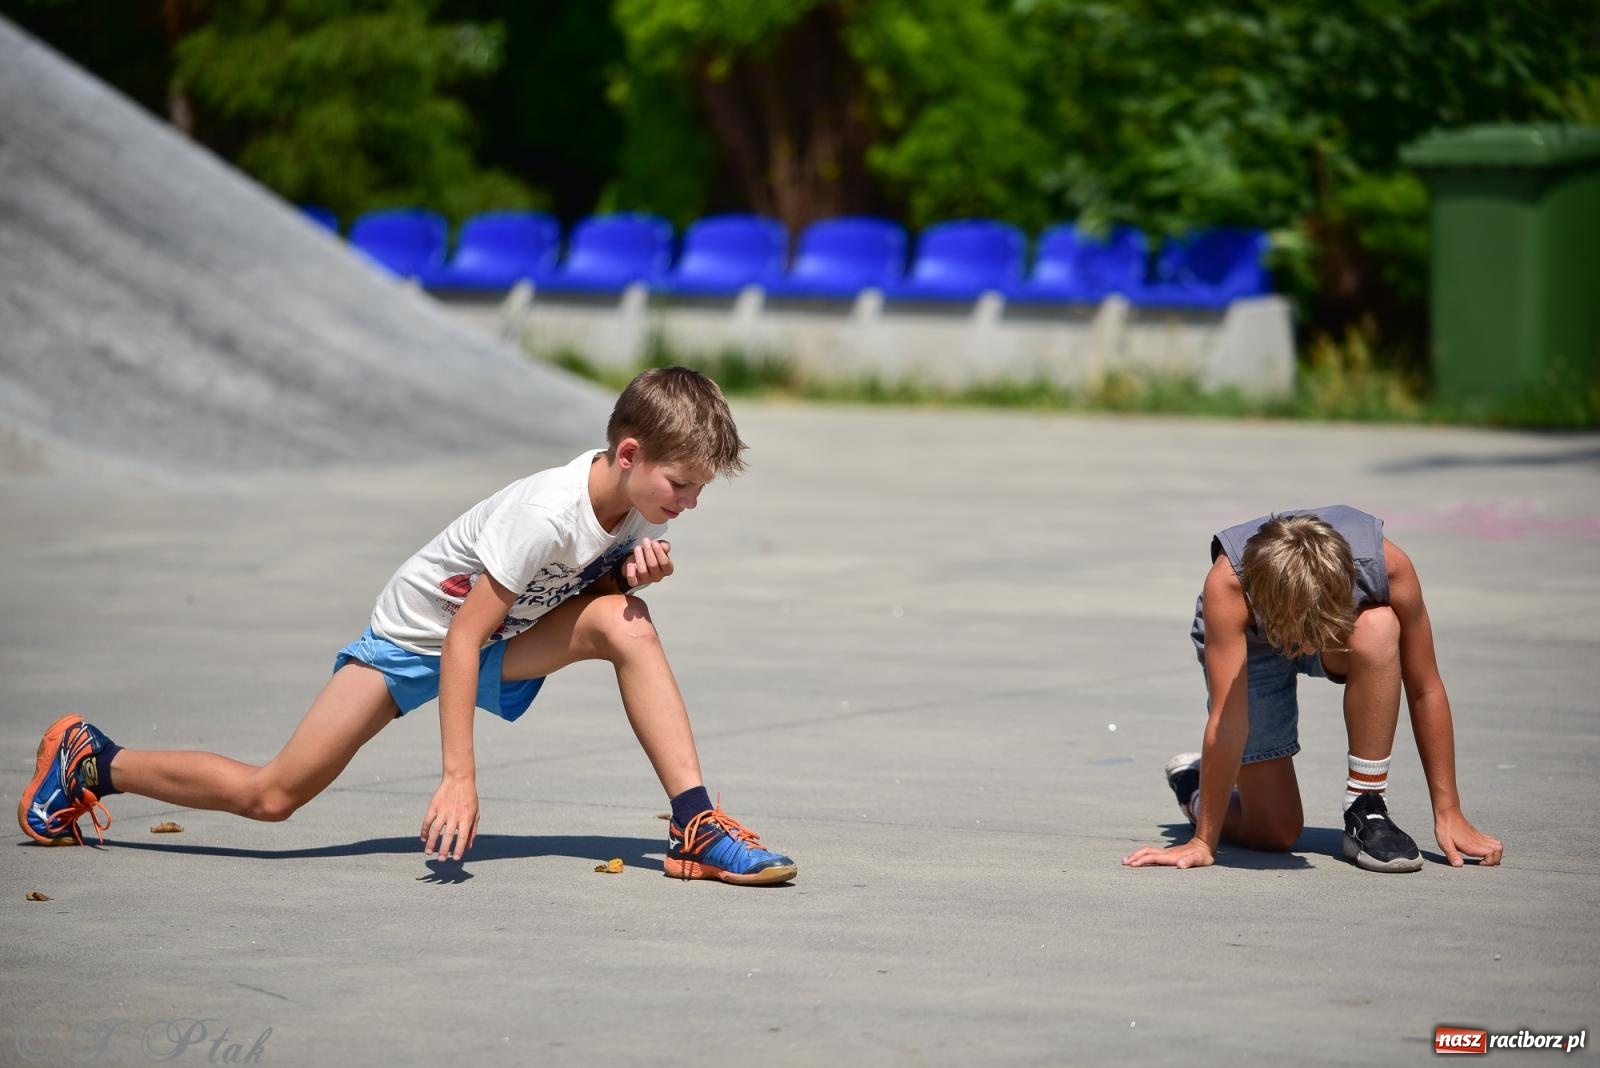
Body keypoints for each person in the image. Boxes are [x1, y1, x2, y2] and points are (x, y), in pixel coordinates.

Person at [19, 366, 797, 886]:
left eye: (698, 490)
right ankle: (94, 760)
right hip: (414, 645)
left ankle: (694, 823)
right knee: (273, 796)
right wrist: (459, 777)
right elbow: (459, 637)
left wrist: (624, 577)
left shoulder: (639, 506)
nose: (689, 504)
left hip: (498, 639)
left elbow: (571, 591)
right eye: (681, 485)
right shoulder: (544, 513)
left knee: (630, 623)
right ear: (629, 453)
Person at [1123, 505, 1502, 873]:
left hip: (1340, 632)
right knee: (1276, 833)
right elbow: (1229, 721)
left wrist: (1449, 812)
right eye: (1297, 633)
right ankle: (1194, 784)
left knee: (1379, 625)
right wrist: (1204, 842)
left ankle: (1366, 805)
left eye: (1312, 632)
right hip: (1253, 647)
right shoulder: (1228, 586)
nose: (1305, 647)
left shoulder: (1386, 566)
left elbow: (1425, 687)